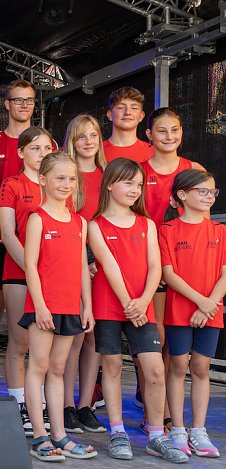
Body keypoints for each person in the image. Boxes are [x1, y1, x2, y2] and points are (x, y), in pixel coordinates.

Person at [88, 158, 188, 463]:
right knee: (113, 366)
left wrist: (143, 301)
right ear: (110, 184)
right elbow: (109, 265)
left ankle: (156, 435)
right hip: (110, 305)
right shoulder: (95, 225)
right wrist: (131, 305)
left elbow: (156, 266)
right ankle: (117, 431)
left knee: (155, 370)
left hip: (142, 307)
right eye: (128, 182)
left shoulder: (147, 224)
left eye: (139, 184)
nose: (135, 189)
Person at [21, 151, 96, 461]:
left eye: (71, 179)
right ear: (43, 180)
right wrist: (39, 306)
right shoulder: (38, 218)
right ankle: (39, 435)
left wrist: (86, 305)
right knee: (38, 367)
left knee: (58, 369)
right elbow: (30, 266)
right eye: (60, 178)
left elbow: (81, 267)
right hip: (44, 307)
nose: (67, 184)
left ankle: (59, 435)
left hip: (70, 307)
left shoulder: (80, 222)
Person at [0, 80, 52, 399]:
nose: (24, 105)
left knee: (41, 323)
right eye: (17, 100)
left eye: (30, 100)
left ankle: (43, 395)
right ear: (5, 104)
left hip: (44, 255)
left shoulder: (47, 144)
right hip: (0, 244)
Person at [142, 107, 205, 433]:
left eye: (175, 130)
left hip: (181, 266)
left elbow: (202, 223)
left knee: (175, 345)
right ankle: (155, 408)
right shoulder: (138, 171)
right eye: (162, 131)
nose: (169, 136)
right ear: (149, 135)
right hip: (149, 264)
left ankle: (167, 410)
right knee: (156, 339)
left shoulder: (193, 169)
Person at [0, 126, 55, 434]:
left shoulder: (58, 184)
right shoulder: (12, 184)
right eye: (35, 148)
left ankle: (40, 403)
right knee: (21, 342)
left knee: (45, 347)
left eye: (47, 148)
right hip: (18, 273)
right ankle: (19, 402)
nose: (42, 153)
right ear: (20, 153)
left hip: (54, 277)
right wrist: (32, 269)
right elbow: (7, 233)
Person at [160, 169, 224, 459]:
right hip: (180, 310)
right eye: (203, 191)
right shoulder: (168, 231)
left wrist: (209, 303)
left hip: (211, 310)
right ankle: (177, 429)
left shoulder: (220, 231)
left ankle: (198, 430)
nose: (209, 196)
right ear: (182, 195)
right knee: (177, 366)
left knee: (201, 367)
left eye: (213, 192)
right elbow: (168, 273)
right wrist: (200, 302)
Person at [61, 114, 106, 434]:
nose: (88, 141)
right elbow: (64, 224)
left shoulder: (108, 175)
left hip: (105, 267)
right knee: (73, 339)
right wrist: (85, 260)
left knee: (96, 340)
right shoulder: (66, 177)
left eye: (93, 135)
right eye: (81, 137)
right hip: (75, 266)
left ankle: (86, 404)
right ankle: (64, 406)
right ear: (72, 142)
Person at [103, 87, 152, 163]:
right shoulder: (96, 152)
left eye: (134, 108)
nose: (127, 112)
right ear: (110, 115)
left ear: (141, 116)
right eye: (121, 107)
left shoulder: (153, 153)